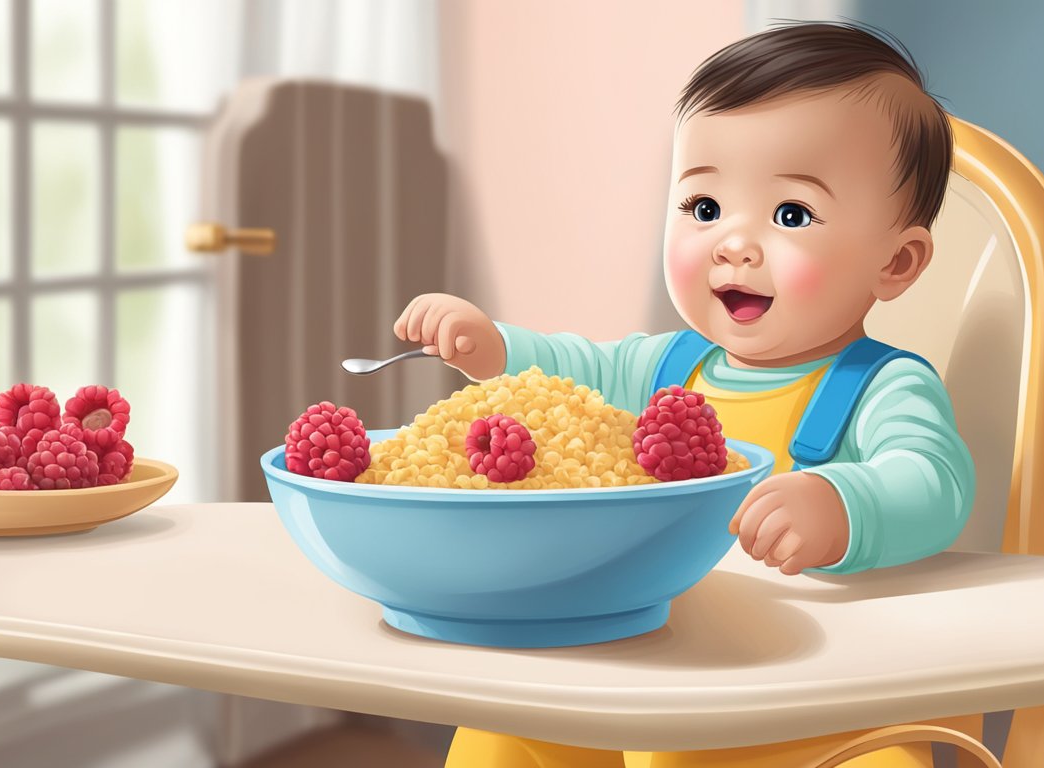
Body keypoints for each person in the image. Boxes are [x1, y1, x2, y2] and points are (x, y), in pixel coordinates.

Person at [399, 20, 976, 768]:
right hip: (647, 680)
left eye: (791, 215)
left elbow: (934, 480)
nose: (733, 243)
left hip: (820, 706)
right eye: (703, 209)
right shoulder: (666, 369)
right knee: (497, 731)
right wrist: (496, 348)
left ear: (895, 262)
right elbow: (577, 369)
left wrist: (841, 505)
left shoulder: (882, 386)